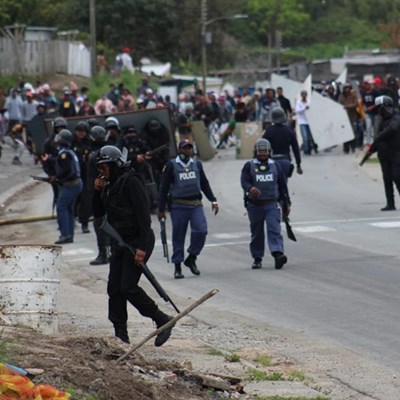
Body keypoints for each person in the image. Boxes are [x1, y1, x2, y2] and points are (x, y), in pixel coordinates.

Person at [92, 145, 174, 345]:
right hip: (119, 243)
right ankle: (121, 335)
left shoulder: (131, 181)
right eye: (99, 168)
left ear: (115, 164)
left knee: (128, 287)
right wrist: (96, 191)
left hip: (138, 241)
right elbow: (97, 213)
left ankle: (162, 319)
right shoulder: (109, 185)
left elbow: (144, 218)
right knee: (114, 289)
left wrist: (141, 248)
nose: (101, 171)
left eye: (104, 167)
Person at [157, 139, 219, 279]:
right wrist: (161, 209)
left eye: (189, 148)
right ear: (179, 149)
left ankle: (192, 257)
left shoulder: (196, 164)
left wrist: (213, 199)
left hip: (195, 204)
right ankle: (177, 266)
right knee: (178, 236)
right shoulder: (171, 165)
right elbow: (164, 187)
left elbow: (204, 183)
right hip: (178, 206)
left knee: (201, 231)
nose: (187, 150)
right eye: (184, 148)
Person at [240, 138, 291, 270]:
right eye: (260, 152)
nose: (263, 154)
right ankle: (257, 258)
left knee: (274, 229)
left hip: (271, 204)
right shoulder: (249, 166)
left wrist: (287, 203)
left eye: (265, 151)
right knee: (257, 232)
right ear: (255, 152)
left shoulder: (275, 166)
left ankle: (278, 254)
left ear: (269, 152)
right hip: (254, 205)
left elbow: (282, 186)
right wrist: (250, 188)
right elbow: (244, 181)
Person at [365, 95, 400, 211]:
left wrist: (378, 137)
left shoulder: (396, 117)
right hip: (383, 153)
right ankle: (390, 204)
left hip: (396, 152)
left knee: (397, 176)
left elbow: (391, 130)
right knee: (387, 178)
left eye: (380, 108)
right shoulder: (379, 120)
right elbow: (377, 139)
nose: (379, 111)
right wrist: (371, 150)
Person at [53, 129, 83, 244]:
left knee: (61, 207)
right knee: (69, 209)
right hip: (76, 183)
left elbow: (67, 171)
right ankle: (69, 234)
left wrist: (58, 178)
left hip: (71, 184)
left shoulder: (64, 154)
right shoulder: (70, 151)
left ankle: (65, 234)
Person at [87, 126, 110, 265]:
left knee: (99, 224)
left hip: (100, 195)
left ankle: (103, 254)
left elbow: (91, 181)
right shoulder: (112, 152)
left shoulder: (93, 156)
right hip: (113, 193)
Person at [263, 107, 303, 182]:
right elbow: (295, 149)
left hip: (272, 161)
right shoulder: (289, 131)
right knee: (284, 183)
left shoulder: (268, 131)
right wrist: (298, 165)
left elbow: (262, 147)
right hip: (285, 161)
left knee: (273, 183)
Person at [295, 90, 317, 155]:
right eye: (303, 94)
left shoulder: (309, 101)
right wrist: (304, 108)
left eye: (305, 94)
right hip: (302, 122)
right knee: (305, 137)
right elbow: (297, 111)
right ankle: (306, 150)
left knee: (310, 137)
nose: (304, 96)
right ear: (301, 95)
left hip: (309, 121)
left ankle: (309, 149)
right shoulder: (298, 102)